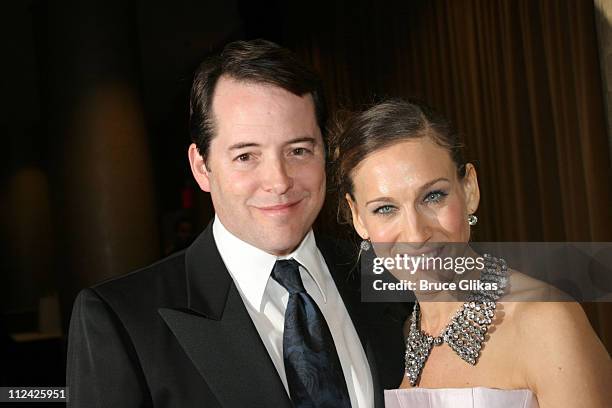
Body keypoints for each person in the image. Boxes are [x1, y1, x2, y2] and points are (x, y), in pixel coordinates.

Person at [66, 40, 407, 408]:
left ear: (324, 151)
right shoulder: (121, 321)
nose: (278, 181)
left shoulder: (391, 271)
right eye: (246, 156)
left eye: (298, 150)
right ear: (202, 166)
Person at [330, 99, 611, 407]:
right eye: (386, 208)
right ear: (359, 218)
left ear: (469, 190)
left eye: (433, 196)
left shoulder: (545, 322)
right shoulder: (398, 337)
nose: (416, 233)